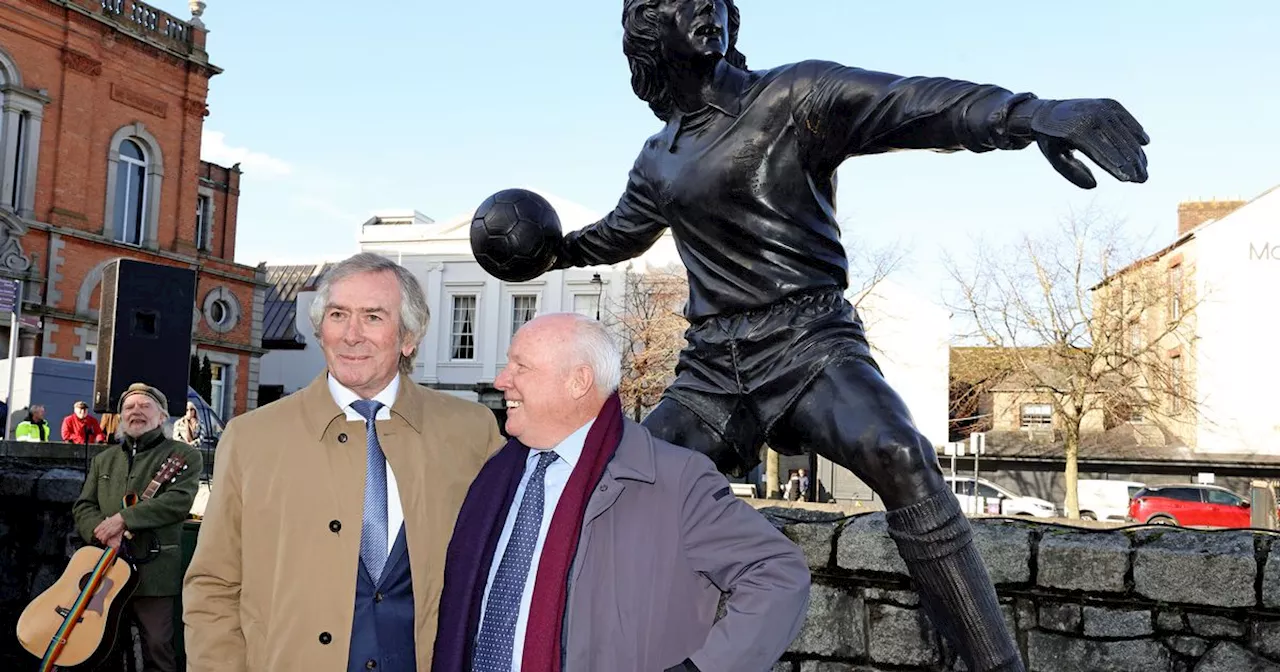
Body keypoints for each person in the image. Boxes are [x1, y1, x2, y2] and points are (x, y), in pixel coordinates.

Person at [506, 2, 1150, 670]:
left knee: (899, 451)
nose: (704, 6)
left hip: (809, 344)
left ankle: (994, 664)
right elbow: (620, 232)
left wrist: (1028, 114)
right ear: (647, 32)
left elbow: (912, 105)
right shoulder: (658, 158)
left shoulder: (793, 97)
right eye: (679, 0)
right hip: (713, 375)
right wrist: (553, 252)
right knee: (606, 484)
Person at [432, 313, 810, 672]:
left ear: (578, 381)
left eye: (521, 367)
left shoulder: (674, 480)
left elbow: (778, 573)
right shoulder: (497, 475)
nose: (501, 380)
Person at [183, 253, 505, 672]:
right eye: (338, 315)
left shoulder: (471, 432)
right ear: (320, 331)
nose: (352, 335)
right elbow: (213, 585)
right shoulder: (251, 439)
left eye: (373, 317)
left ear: (409, 337)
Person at [70, 383, 202, 672]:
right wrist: (101, 531)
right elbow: (83, 506)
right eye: (129, 407)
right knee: (102, 647)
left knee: (158, 647)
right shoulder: (104, 459)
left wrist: (122, 520)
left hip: (154, 573)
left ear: (161, 416)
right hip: (106, 571)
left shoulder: (185, 455)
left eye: (145, 406)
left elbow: (177, 502)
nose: (136, 412)